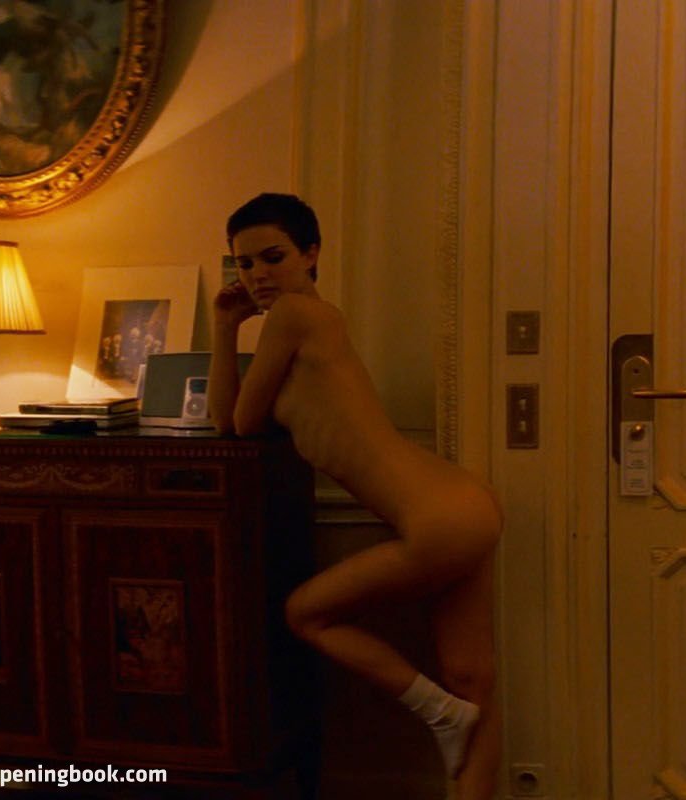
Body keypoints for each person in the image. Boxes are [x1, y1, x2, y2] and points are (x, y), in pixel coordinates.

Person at [209, 193, 502, 799]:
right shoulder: (309, 329)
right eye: (244, 263)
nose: (258, 275)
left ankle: (437, 711)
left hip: (438, 518)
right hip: (458, 504)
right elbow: (227, 420)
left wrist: (231, 330)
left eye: (273, 257)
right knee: (471, 681)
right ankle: (454, 729)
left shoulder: (295, 315)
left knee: (305, 613)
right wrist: (223, 324)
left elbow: (239, 423)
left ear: (311, 254)